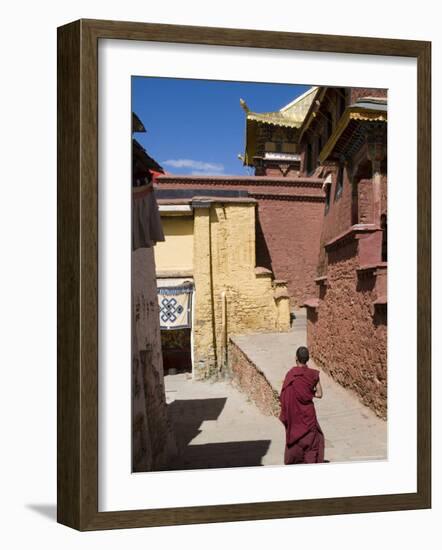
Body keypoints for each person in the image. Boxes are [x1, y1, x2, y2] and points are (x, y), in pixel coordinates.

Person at [279, 346, 325, 464]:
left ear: (296, 358)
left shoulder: (291, 375)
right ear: (307, 359)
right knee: (311, 445)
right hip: (308, 416)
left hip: (295, 417)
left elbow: (283, 396)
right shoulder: (313, 375)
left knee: (296, 444)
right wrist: (310, 393)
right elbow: (320, 394)